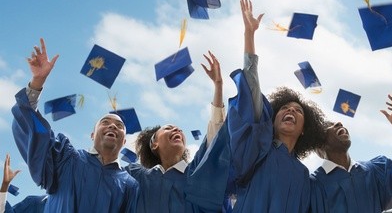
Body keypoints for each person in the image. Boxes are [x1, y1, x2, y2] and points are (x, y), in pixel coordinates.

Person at [11, 38, 139, 212]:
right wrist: (37, 82)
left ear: (124, 141)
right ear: (92, 135)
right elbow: (35, 133)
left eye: (119, 125)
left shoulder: (130, 186)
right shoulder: (66, 158)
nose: (112, 126)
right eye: (105, 122)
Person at [225, 0, 326, 212]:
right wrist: (249, 35)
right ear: (272, 119)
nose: (290, 110)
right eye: (285, 108)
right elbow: (251, 91)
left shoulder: (302, 174)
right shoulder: (256, 149)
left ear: (303, 131)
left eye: (298, 111)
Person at [126, 50, 231, 213]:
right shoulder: (137, 176)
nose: (177, 129)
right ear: (154, 144)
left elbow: (215, 138)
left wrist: (218, 85)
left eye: (179, 129)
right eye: (168, 128)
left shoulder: (196, 174)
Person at [310, 93, 392, 213]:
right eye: (329, 125)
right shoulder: (312, 186)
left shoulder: (375, 172)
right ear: (319, 145)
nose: (339, 123)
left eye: (337, 122)